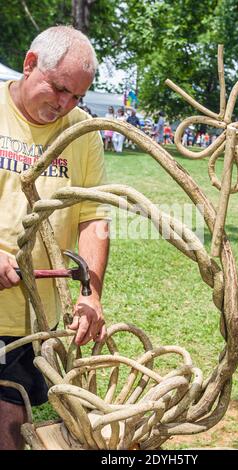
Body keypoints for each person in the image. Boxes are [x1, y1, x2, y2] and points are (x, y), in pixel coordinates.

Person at [0, 25, 110, 450]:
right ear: (30, 65)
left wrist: (91, 293)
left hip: (30, 321)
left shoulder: (80, 131)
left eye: (77, 97)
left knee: (12, 421)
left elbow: (92, 217)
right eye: (60, 88)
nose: (65, 105)